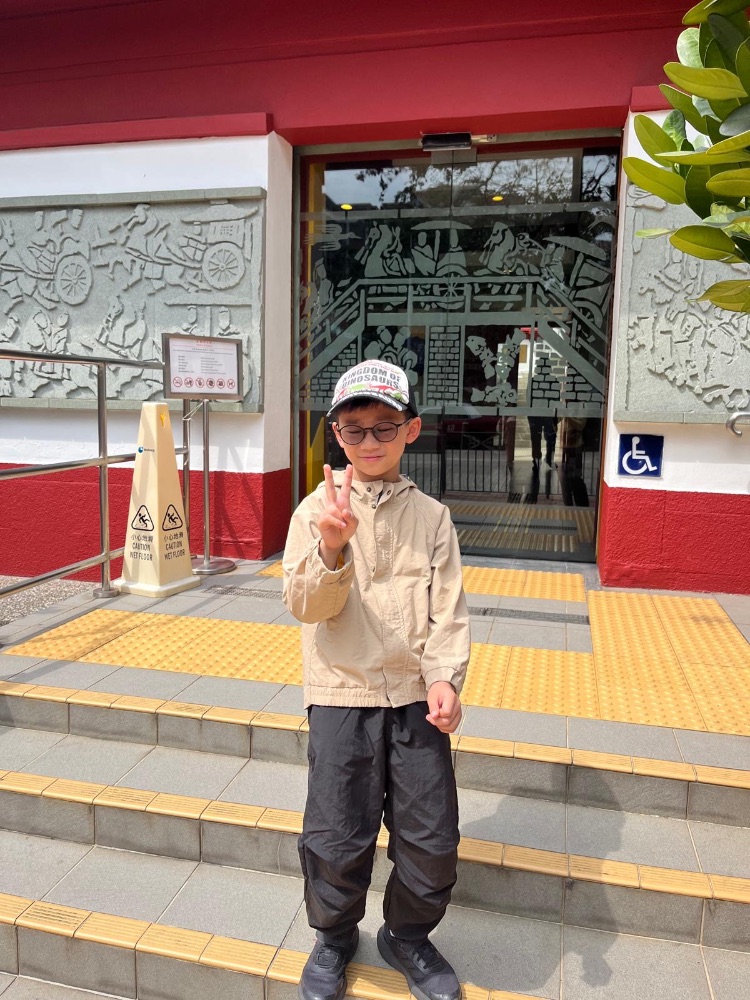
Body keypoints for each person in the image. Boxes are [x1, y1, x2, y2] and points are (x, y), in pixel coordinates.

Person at [282, 359, 470, 1000]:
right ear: (336, 433)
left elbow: (448, 610)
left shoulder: (434, 517)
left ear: (411, 429)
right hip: (342, 693)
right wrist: (331, 548)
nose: (369, 441)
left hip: (416, 698)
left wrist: (445, 679)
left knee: (431, 835)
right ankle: (334, 938)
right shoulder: (315, 510)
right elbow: (304, 605)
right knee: (336, 832)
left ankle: (407, 936)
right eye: (354, 429)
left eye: (384, 427)